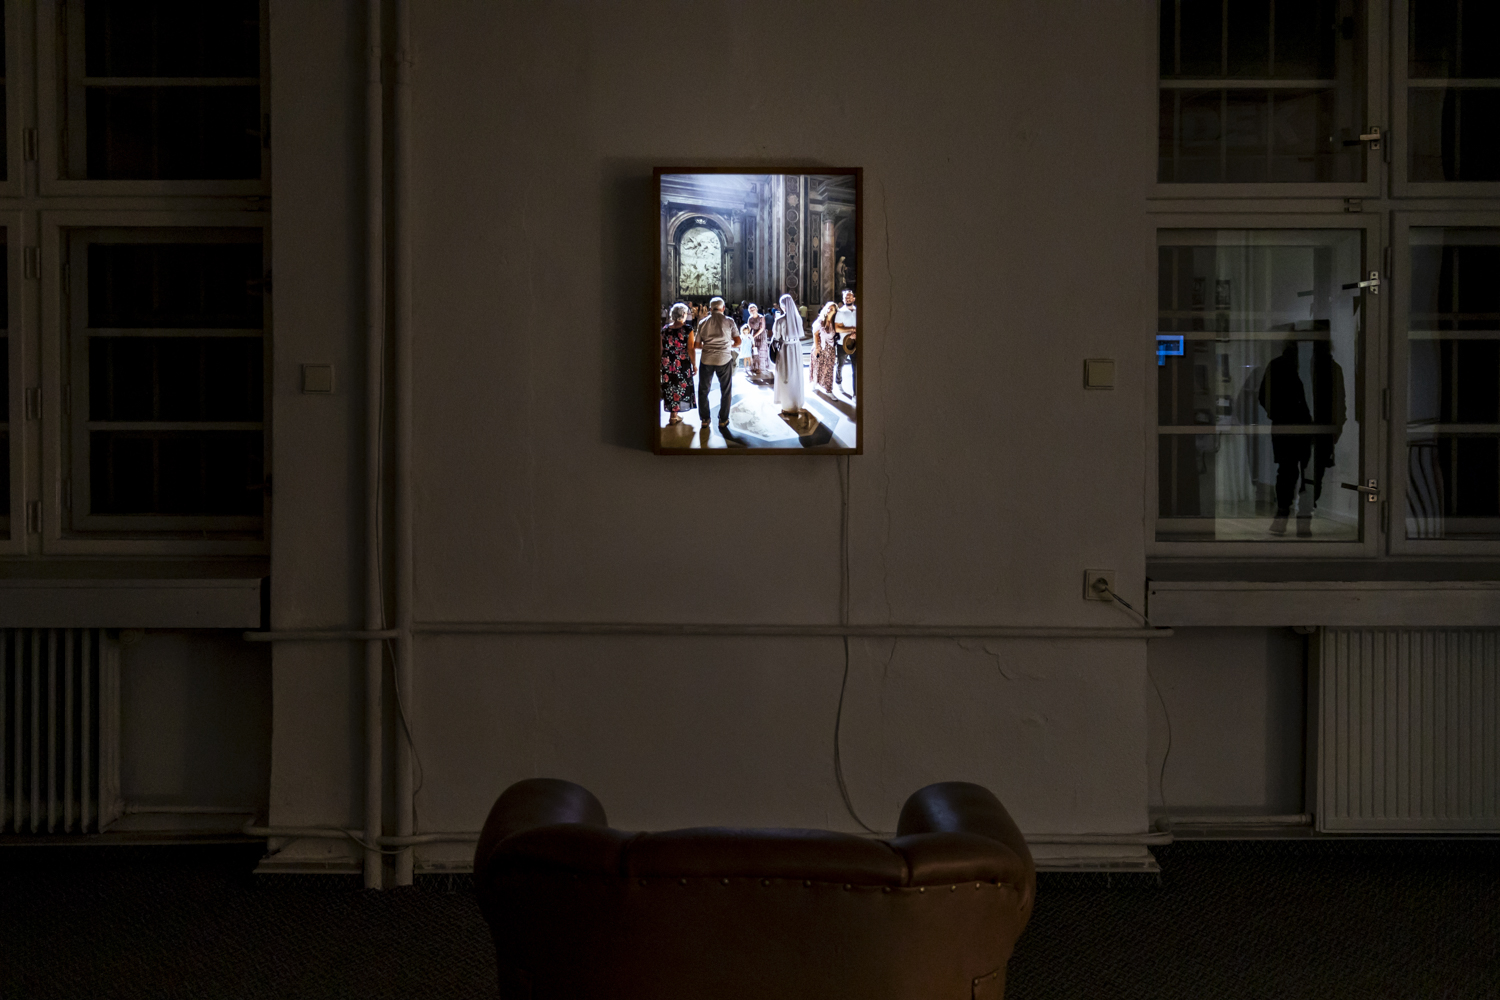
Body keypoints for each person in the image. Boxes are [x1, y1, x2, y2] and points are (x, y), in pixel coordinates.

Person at [1258, 340, 1313, 535]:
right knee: (1305, 473)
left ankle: (1284, 516)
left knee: (1288, 472)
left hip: (1287, 426)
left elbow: (1263, 396)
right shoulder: (1305, 365)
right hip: (1300, 426)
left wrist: (1277, 414)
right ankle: (1301, 519)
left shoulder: (1278, 365)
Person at [692, 296, 741, 428]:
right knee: (726, 390)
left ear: (709, 309)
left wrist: (709, 346)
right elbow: (738, 342)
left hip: (707, 359)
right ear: (723, 308)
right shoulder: (729, 321)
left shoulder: (703, 322)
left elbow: (697, 345)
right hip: (724, 359)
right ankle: (723, 419)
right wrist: (727, 345)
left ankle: (705, 419)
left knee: (703, 390)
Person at [660, 302, 696, 425]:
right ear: (684, 314)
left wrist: (660, 362)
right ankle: (674, 415)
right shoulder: (687, 329)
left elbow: (661, 347)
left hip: (667, 361)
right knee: (680, 386)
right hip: (682, 362)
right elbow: (690, 348)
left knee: (670, 386)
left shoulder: (665, 329)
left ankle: (673, 414)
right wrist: (694, 364)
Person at [772, 292, 806, 413]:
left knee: (785, 374)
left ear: (782, 306)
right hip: (796, 348)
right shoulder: (798, 318)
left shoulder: (780, 320)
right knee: (796, 374)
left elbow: (776, 336)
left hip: (785, 349)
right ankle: (796, 401)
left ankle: (787, 405)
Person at [809, 301, 838, 393]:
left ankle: (828, 389)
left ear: (835, 311)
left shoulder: (834, 322)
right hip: (820, 347)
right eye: (828, 308)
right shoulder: (820, 321)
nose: (829, 310)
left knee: (829, 369)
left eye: (832, 309)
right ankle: (814, 383)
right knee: (817, 366)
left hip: (830, 349)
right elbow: (815, 335)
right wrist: (817, 348)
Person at [833, 288, 857, 395]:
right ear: (843, 299)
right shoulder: (840, 312)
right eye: (846, 297)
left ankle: (855, 393)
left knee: (856, 368)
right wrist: (852, 329)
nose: (848, 298)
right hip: (842, 344)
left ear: (854, 298)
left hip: (855, 344)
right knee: (840, 365)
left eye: (850, 296)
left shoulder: (858, 311)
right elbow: (837, 328)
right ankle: (838, 381)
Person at [743, 303, 770, 379]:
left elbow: (762, 328)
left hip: (761, 336)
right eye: (750, 310)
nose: (752, 311)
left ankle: (760, 368)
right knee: (753, 352)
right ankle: (754, 367)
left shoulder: (761, 317)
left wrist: (753, 336)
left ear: (756, 309)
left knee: (760, 352)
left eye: (753, 309)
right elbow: (748, 328)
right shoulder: (750, 318)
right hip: (753, 335)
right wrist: (747, 335)